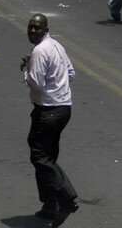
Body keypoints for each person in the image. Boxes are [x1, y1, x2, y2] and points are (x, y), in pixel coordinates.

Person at [21, 14, 79, 226]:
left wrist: (26, 69)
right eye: (30, 27)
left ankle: (66, 198)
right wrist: (57, 84)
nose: (32, 31)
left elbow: (36, 83)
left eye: (37, 28)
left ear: (45, 29)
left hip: (48, 111)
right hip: (63, 109)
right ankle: (49, 205)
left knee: (40, 157)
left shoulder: (39, 51)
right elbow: (70, 73)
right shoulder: (56, 46)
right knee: (48, 156)